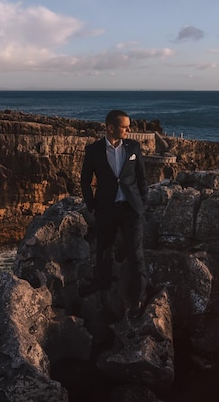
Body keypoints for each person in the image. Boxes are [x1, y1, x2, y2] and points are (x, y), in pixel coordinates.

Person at [79, 110, 149, 318]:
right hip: (106, 208)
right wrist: (92, 205)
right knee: (103, 249)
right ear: (110, 127)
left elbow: (142, 178)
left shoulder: (133, 147)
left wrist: (142, 204)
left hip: (131, 209)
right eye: (125, 126)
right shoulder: (94, 150)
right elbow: (85, 180)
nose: (129, 129)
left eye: (129, 126)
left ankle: (139, 297)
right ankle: (101, 283)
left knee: (135, 253)